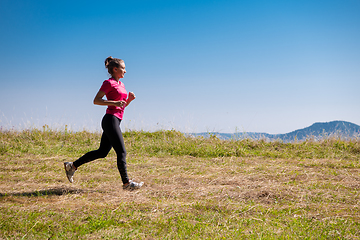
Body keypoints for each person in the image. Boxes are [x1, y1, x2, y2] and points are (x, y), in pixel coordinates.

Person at [64, 56, 143, 190]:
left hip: (116, 120)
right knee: (121, 152)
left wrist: (129, 100)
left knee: (102, 152)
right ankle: (126, 183)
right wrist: (113, 102)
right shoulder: (108, 83)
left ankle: (71, 166)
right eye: (123, 68)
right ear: (115, 69)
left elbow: (121, 106)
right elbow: (96, 100)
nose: (125, 71)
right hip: (110, 119)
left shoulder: (121, 85)